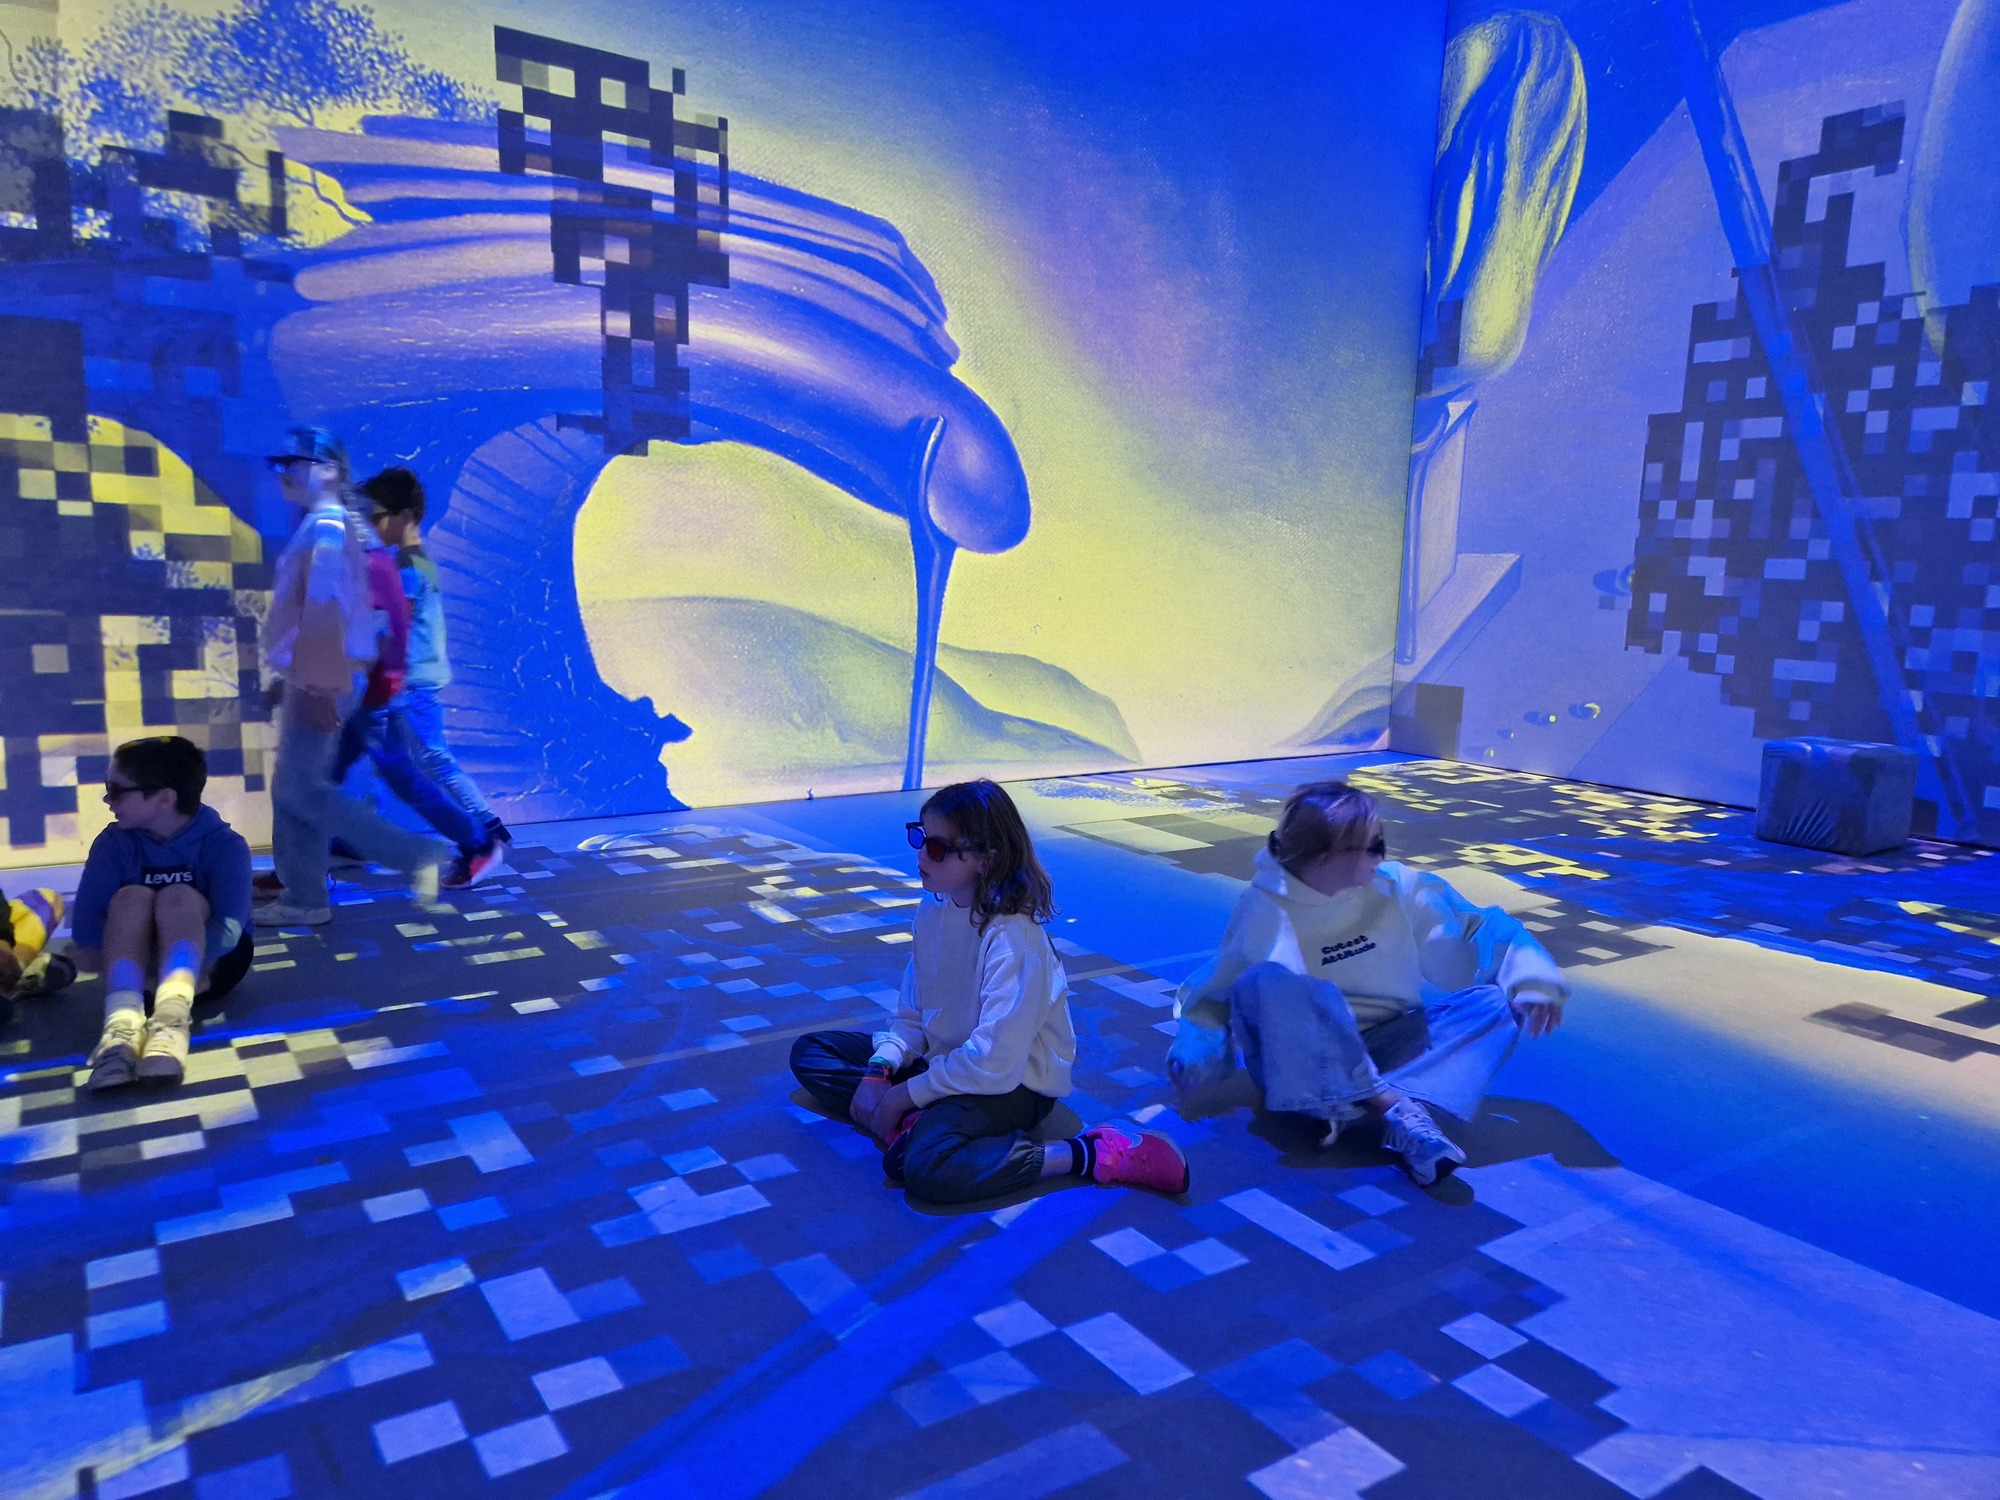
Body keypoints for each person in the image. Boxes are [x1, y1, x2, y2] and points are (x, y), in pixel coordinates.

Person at [790, 779, 1189, 1204]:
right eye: (920, 837)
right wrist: (879, 1073)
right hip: (947, 1064)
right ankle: (919, 1126)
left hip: (1012, 1085)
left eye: (938, 848)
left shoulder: (1014, 938)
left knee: (929, 1170)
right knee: (812, 1052)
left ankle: (1091, 1152)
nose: (921, 855)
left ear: (986, 858)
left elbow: (994, 1061)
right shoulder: (932, 912)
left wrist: (901, 1095)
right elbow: (912, 1017)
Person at [1168, 779, 1568, 1186]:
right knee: (1271, 980)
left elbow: (1475, 930)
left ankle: (1381, 1103)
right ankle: (1391, 1107)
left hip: (1386, 1045)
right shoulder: (1264, 909)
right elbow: (1222, 989)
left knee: (1496, 1002)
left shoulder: (1397, 887)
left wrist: (1532, 978)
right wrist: (1199, 1043)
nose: (1381, 855)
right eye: (1370, 846)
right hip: (1298, 1065)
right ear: (1325, 856)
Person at [256, 427, 451, 926]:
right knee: (295, 789)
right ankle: (305, 897)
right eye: (280, 464)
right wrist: (293, 675)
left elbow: (326, 611)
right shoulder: (329, 525)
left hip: (321, 676)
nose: (283, 473)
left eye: (293, 463)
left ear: (328, 470)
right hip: (315, 674)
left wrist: (317, 684)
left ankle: (414, 855)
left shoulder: (327, 528)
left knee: (302, 790)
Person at [321, 469, 505, 890]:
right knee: (345, 767)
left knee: (410, 769)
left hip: (400, 686)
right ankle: (351, 838)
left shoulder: (405, 567)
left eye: (375, 516)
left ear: (403, 515)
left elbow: (388, 630)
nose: (369, 525)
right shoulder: (411, 562)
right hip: (393, 684)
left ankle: (481, 838)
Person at [70, 737, 254, 1089]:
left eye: (116, 791)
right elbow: (86, 929)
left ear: (164, 798)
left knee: (179, 898)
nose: (107, 800)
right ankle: (120, 1030)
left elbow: (230, 932)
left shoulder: (224, 845)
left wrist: (149, 961)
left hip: (210, 965)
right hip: (137, 970)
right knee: (131, 899)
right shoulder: (113, 844)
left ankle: (171, 1021)